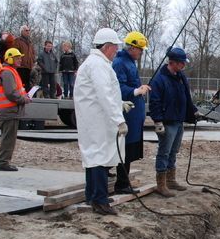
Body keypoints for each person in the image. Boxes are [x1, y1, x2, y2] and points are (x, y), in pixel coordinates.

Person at [74, 28, 127, 215]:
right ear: (106, 47)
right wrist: (119, 119)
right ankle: (99, 200)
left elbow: (103, 93)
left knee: (94, 155)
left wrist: (119, 103)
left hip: (95, 117)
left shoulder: (96, 63)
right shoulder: (97, 65)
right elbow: (104, 94)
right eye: (115, 47)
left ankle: (94, 196)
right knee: (98, 156)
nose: (116, 51)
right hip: (97, 118)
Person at [149, 47, 198, 198]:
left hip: (178, 120)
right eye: (182, 63)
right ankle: (161, 184)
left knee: (173, 151)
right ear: (173, 63)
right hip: (167, 121)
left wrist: (193, 111)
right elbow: (155, 102)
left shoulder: (180, 77)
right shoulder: (160, 79)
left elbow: (186, 97)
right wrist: (158, 121)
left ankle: (171, 180)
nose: (184, 65)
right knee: (164, 152)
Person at [112, 31, 151, 195]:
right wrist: (136, 91)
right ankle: (121, 184)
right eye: (140, 49)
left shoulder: (129, 62)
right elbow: (118, 87)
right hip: (127, 113)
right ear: (132, 47)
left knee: (130, 148)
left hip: (134, 115)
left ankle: (123, 181)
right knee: (125, 148)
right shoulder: (120, 63)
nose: (141, 53)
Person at [0, 48, 32, 171]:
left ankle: (3, 161)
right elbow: (11, 93)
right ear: (10, 58)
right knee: (8, 138)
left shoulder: (10, 71)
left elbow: (14, 91)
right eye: (17, 58)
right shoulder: (7, 73)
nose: (20, 60)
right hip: (9, 111)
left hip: (10, 111)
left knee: (8, 137)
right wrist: (24, 99)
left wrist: (24, 96)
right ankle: (3, 162)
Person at [13, 25, 36, 90]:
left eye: (29, 30)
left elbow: (33, 53)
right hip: (21, 67)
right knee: (21, 83)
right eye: (26, 30)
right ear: (22, 31)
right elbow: (15, 52)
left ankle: (26, 98)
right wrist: (19, 61)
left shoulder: (30, 42)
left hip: (29, 67)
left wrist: (33, 60)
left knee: (27, 85)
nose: (28, 32)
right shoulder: (17, 41)